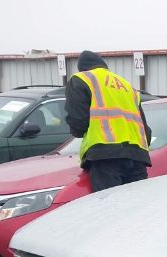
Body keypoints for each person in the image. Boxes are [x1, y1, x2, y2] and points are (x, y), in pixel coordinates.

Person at [65, 50, 152, 192]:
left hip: (105, 156)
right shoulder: (127, 86)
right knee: (137, 203)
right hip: (137, 156)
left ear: (82, 68)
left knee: (109, 203)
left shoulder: (82, 79)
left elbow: (78, 123)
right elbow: (145, 130)